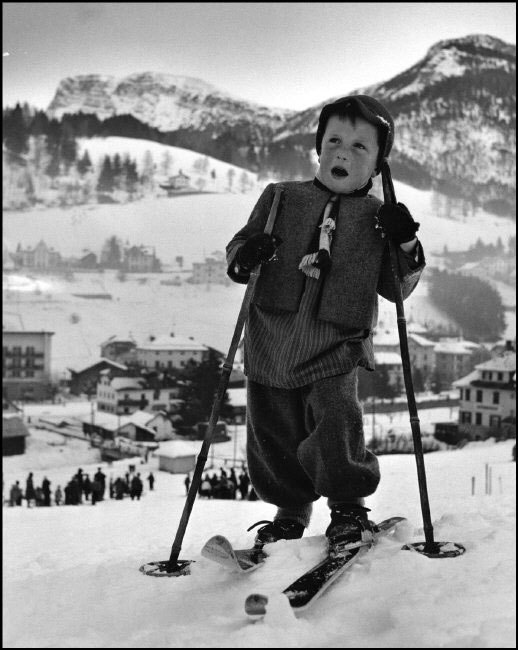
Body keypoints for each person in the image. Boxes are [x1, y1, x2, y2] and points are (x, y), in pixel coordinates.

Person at [225, 95, 425, 555]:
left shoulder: (380, 217)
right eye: (334, 139)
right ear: (318, 147)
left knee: (337, 421)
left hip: (337, 341)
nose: (342, 152)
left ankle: (348, 507)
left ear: (378, 162)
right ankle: (289, 513)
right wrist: (246, 256)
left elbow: (397, 288)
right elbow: (239, 250)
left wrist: (406, 240)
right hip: (271, 338)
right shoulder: (281, 197)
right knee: (271, 429)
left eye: (359, 146)